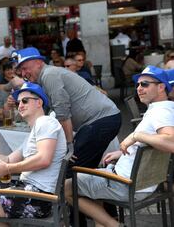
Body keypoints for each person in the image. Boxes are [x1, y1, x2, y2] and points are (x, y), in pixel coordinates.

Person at [65, 65, 174, 227]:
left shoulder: (160, 113)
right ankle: (105, 222)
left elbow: (171, 142)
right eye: (138, 84)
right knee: (92, 182)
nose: (139, 88)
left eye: (145, 84)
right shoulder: (165, 109)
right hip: (141, 183)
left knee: (67, 186)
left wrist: (136, 135)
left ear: (161, 87)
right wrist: (123, 152)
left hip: (125, 185)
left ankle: (113, 225)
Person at [0, 82, 67, 226]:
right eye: (18, 102)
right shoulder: (36, 129)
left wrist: (8, 169)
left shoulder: (46, 122)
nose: (20, 105)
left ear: (39, 103)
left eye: (25, 100)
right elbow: (7, 159)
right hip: (29, 192)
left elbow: (44, 159)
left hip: (39, 199)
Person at [15, 47, 121, 175]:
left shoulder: (49, 75)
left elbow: (62, 113)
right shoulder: (47, 76)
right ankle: (91, 190)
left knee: (71, 168)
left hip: (101, 120)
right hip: (102, 120)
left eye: (25, 68)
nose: (23, 73)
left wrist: (69, 146)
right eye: (21, 70)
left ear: (38, 62)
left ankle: (82, 191)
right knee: (83, 169)